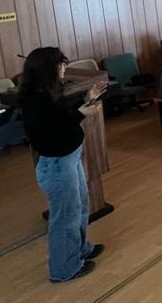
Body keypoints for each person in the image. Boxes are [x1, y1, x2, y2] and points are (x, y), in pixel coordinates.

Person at [19, 47, 104, 282]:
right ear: (48, 68)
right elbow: (50, 133)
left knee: (80, 205)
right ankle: (64, 269)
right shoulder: (36, 100)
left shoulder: (48, 92)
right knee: (65, 216)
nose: (64, 68)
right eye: (61, 64)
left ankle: (80, 249)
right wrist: (82, 114)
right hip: (57, 165)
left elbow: (61, 117)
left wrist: (87, 100)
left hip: (69, 158)